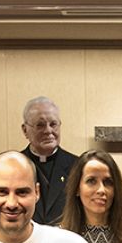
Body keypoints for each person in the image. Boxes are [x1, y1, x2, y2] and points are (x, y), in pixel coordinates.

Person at [20, 96, 77, 225]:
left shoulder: (77, 166)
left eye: (53, 124)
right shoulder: (14, 166)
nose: (48, 130)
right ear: (25, 130)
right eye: (40, 125)